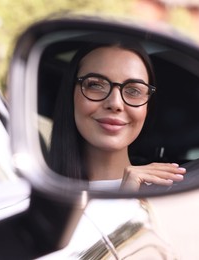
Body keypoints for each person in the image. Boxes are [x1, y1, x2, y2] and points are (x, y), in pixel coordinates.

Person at [47, 40, 187, 191]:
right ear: (70, 94)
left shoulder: (174, 194)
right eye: (96, 85)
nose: (115, 104)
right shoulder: (28, 187)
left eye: (133, 91)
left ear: (147, 107)